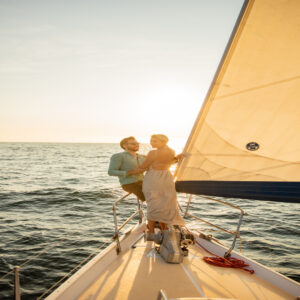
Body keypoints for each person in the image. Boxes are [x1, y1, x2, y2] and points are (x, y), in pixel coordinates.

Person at [129, 134, 185, 237]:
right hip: (166, 178)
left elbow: (143, 167)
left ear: (163, 142)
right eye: (151, 141)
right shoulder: (171, 151)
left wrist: (128, 171)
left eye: (154, 141)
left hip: (153, 179)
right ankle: (164, 230)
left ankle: (150, 232)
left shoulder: (152, 153)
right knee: (164, 204)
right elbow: (169, 161)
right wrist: (177, 158)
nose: (151, 143)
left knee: (153, 204)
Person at [108, 136, 146, 201]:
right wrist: (130, 172)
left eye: (137, 143)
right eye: (133, 144)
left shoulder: (142, 157)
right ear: (124, 145)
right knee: (150, 196)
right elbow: (111, 172)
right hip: (129, 184)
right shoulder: (118, 156)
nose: (137, 145)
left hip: (143, 182)